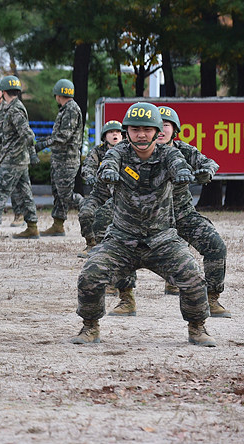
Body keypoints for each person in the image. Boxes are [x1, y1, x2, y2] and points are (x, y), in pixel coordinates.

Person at [70, 102, 216, 347]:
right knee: (90, 275)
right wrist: (106, 174)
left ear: (157, 132)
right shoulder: (118, 152)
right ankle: (90, 326)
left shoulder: (168, 153)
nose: (141, 134)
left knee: (192, 277)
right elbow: (109, 163)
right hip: (121, 240)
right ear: (127, 131)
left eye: (147, 129)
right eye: (135, 129)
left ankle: (197, 327)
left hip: (162, 241)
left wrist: (187, 175)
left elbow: (179, 164)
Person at [107, 106, 230, 319]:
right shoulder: (130, 151)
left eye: (166, 125)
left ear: (175, 130)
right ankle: (126, 298)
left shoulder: (184, 151)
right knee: (121, 240)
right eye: (157, 125)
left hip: (180, 213)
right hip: (147, 217)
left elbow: (210, 163)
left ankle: (211, 298)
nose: (161, 130)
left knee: (215, 245)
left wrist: (206, 172)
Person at [0, 76, 39, 239]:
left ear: (3, 92)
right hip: (19, 159)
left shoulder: (14, 109)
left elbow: (26, 133)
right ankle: (32, 226)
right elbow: (13, 134)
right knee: (25, 193)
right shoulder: (15, 106)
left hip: (13, 159)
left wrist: (35, 148)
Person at [34, 79, 83, 236]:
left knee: (66, 195)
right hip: (59, 159)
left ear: (58, 94)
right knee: (58, 193)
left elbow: (63, 136)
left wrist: (43, 144)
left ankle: (92, 208)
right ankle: (58, 225)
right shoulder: (65, 109)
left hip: (67, 160)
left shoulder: (71, 109)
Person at [77, 120, 123, 256]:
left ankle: (107, 246)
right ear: (104, 137)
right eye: (111, 132)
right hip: (100, 193)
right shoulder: (98, 151)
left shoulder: (128, 151)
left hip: (120, 194)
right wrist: (89, 176)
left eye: (118, 132)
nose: (115, 134)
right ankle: (92, 244)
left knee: (104, 216)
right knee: (85, 213)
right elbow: (87, 167)